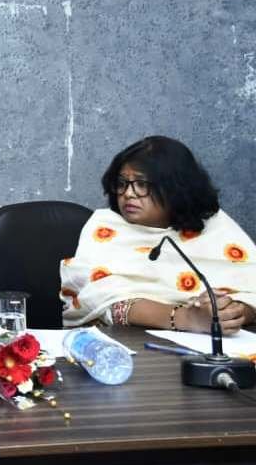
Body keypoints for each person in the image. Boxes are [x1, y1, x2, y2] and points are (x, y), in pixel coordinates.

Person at [60, 136, 256, 333]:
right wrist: (186, 317)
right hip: (129, 342)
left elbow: (251, 288)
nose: (128, 193)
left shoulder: (214, 226)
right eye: (122, 183)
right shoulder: (105, 228)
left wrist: (226, 313)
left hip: (210, 343)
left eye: (142, 184)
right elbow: (100, 299)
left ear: (177, 188)